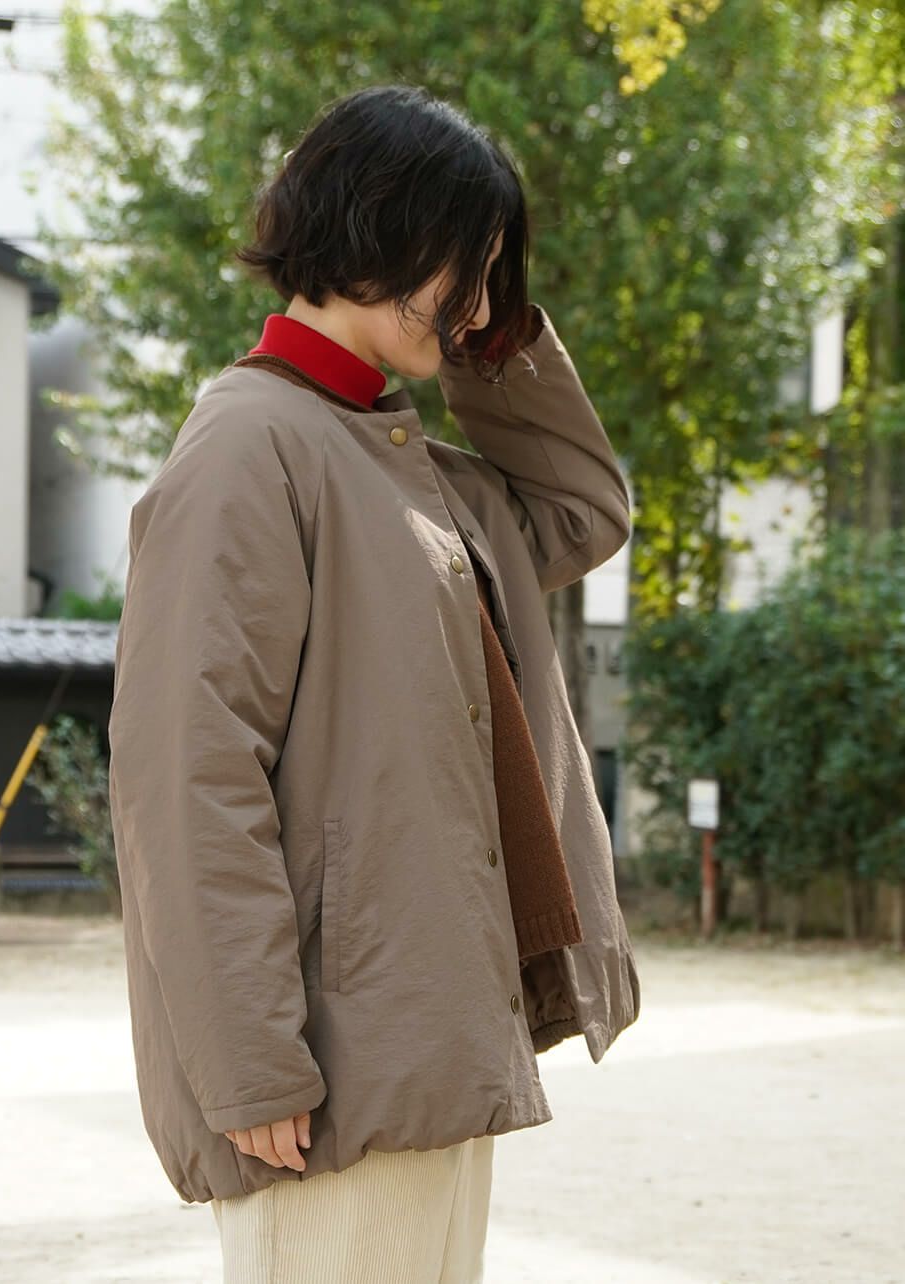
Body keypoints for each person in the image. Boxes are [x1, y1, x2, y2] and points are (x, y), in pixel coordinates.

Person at [107, 82, 641, 1284]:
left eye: (493, 278)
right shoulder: (248, 443)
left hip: (432, 1037)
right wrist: (249, 1061)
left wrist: (494, 346)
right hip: (325, 1073)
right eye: (470, 268)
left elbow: (580, 511)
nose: (480, 306)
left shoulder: (411, 466)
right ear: (383, 227)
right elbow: (185, 775)